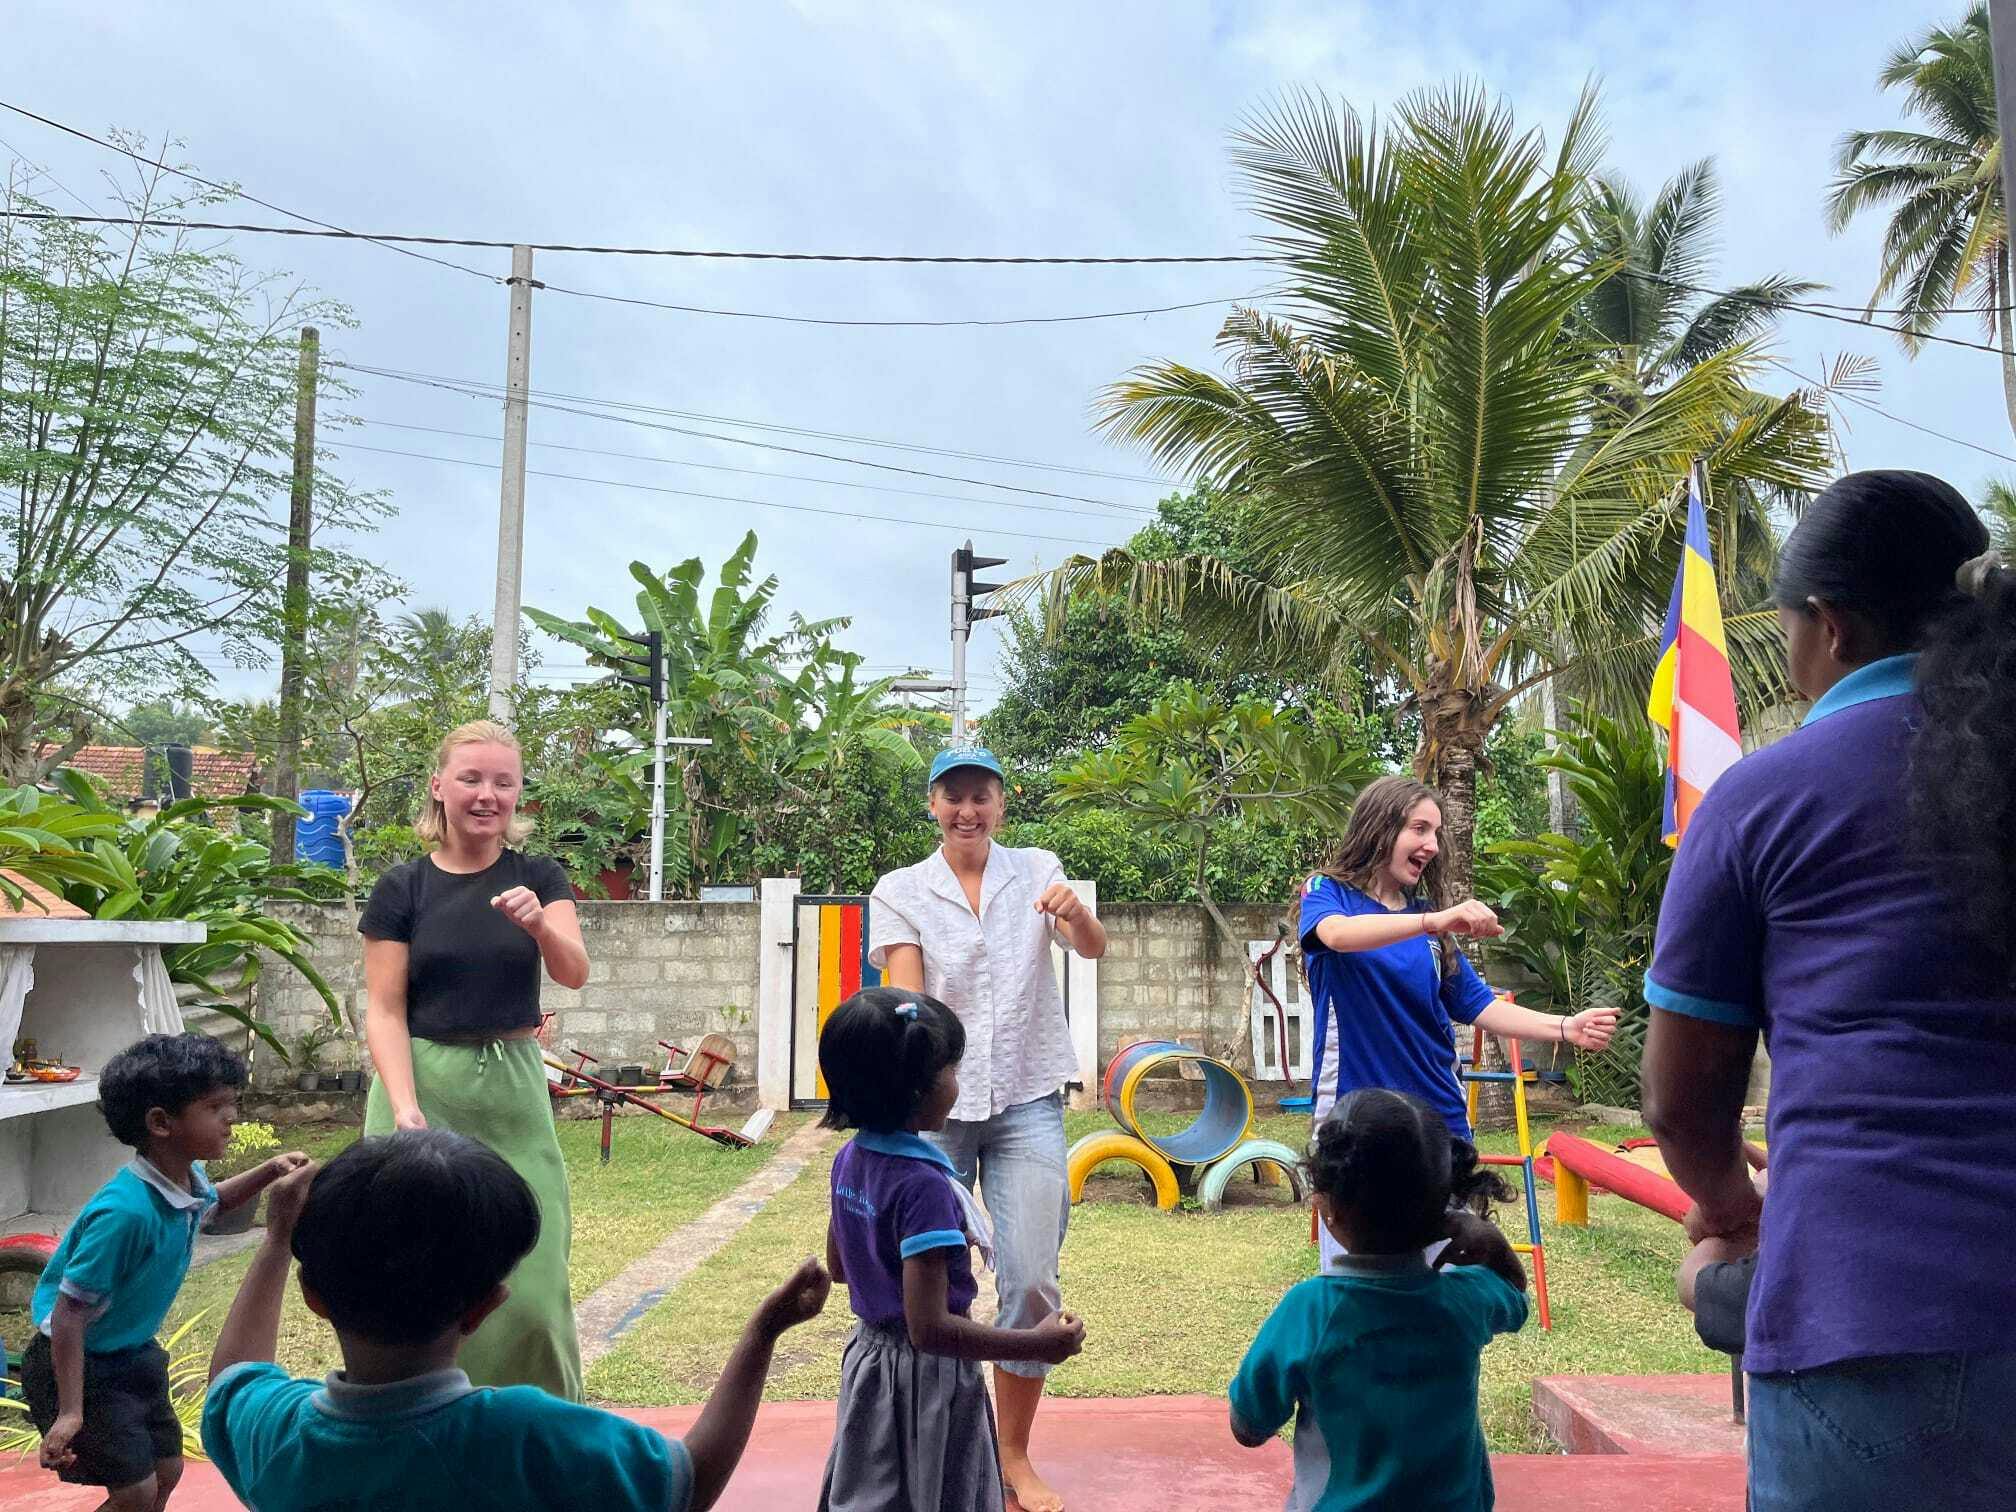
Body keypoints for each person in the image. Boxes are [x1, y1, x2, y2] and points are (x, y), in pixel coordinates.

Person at [1641, 469, 2016, 1510]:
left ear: (1832, 626)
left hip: (1865, 1321)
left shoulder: (1764, 799)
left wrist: (1728, 1214)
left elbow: (1681, 1100)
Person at [199, 1130, 830, 1511]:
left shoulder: (279, 1431)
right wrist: (761, 1334)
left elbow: (232, 1377)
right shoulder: (527, 1437)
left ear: (315, 1295)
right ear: (486, 1306)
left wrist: (277, 1239)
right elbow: (688, 1481)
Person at [868, 746, 1105, 1512]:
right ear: (932, 805)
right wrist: (908, 1077)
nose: (967, 809)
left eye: (982, 796)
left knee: (1032, 1279)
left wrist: (1076, 914)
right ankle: (932, 1440)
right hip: (934, 1111)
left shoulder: (1038, 869)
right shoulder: (901, 890)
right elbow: (908, 999)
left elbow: (1092, 948)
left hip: (1029, 1096)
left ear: (1003, 803)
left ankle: (1013, 1456)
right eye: (953, 796)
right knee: (928, 1287)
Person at [1298, 774, 1616, 1267]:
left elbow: (1478, 1004)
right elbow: (1336, 936)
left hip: (1437, 1124)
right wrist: (1436, 920)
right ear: (1379, 826)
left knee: (1438, 1277)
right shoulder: (1328, 893)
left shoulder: (1429, 925)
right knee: (1356, 1284)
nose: (1430, 844)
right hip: (1355, 1120)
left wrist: (1564, 1027)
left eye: (1436, 833)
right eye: (1418, 828)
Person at [359, 718, 588, 1399]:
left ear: (519, 795)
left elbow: (574, 973)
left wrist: (541, 923)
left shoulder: (539, 877)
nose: (486, 794)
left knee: (533, 1290)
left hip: (513, 1090)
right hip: (422, 1085)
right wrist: (404, 1105)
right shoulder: (402, 889)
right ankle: (408, 1422)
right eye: (470, 778)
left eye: (503, 782)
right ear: (439, 787)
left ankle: (541, 1428)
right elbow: (385, 1009)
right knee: (407, 1283)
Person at [815, 987, 1086, 1512]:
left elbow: (840, 1268)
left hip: (869, 1369)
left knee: (871, 1491)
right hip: (928, 1383)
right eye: (952, 1071)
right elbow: (930, 1329)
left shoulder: (850, 1159)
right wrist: (1035, 1344)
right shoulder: (924, 1188)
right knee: (943, 1493)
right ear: (919, 1090)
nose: (959, 1084)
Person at [23, 1034, 308, 1511]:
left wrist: (268, 1171)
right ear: (161, 1123)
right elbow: (69, 1316)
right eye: (216, 1106)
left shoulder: (182, 1181)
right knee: (134, 1492)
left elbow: (212, 1205)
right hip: (84, 1367)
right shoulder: (126, 1215)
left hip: (133, 1354)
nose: (231, 1116)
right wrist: (71, 1411)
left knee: (167, 1470)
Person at [1229, 1088, 1528, 1510]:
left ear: (1328, 1207)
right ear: (1443, 1205)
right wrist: (1491, 1241)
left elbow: (1248, 1425)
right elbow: (1516, 1297)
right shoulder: (1465, 1300)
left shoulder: (1310, 1310)